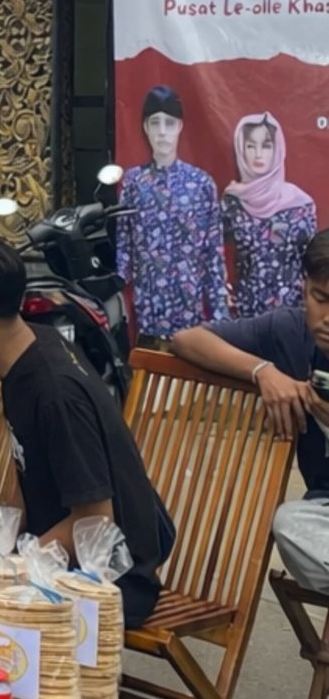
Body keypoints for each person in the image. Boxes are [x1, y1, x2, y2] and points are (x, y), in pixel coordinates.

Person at [0, 234, 174, 627]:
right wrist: (5, 535)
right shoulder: (28, 348)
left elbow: (96, 521)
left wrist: (6, 569)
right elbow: (24, 460)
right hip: (52, 537)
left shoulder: (56, 393)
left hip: (109, 577)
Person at [170, 229, 329, 594]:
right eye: (321, 298)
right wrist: (263, 371)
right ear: (305, 288)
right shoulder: (288, 330)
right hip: (322, 513)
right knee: (288, 523)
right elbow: (186, 339)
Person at [116, 85, 229, 344]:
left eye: (169, 123)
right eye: (155, 123)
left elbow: (213, 254)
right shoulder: (134, 182)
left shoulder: (201, 184)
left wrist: (221, 319)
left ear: (180, 126)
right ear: (146, 127)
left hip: (190, 316)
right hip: (148, 315)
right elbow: (124, 249)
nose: (162, 132)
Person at [224, 112, 317, 318]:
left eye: (266, 145)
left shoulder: (301, 205)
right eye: (250, 146)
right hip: (248, 317)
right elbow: (212, 253)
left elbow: (313, 266)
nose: (258, 154)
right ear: (241, 149)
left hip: (293, 317)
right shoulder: (232, 203)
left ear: (277, 150)